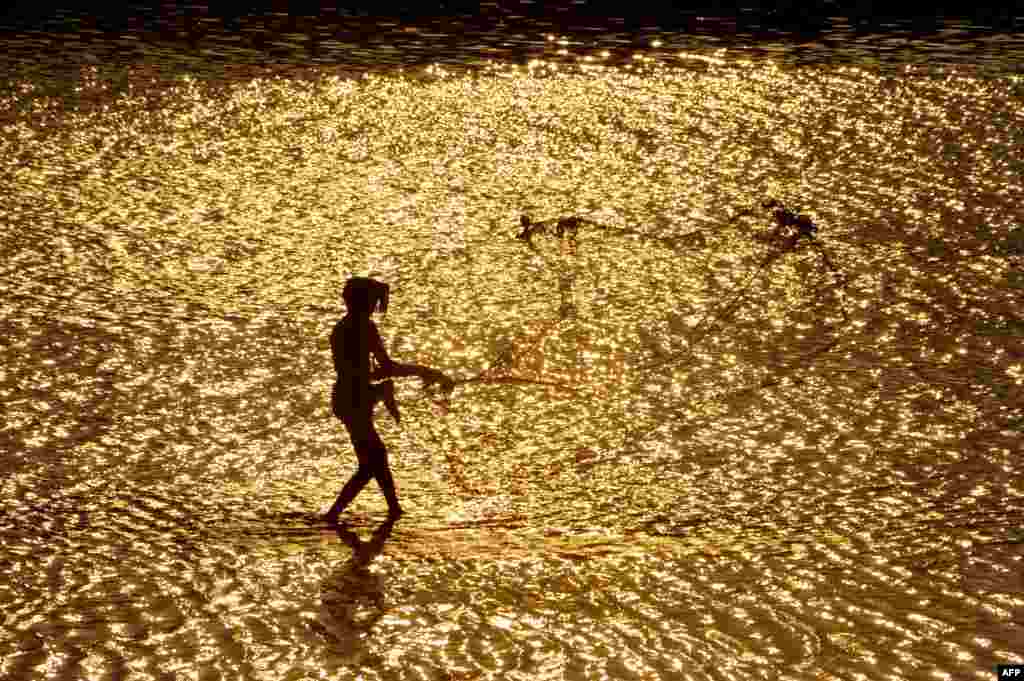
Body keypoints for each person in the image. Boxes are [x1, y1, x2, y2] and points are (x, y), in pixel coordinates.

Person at [324, 276, 452, 525]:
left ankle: (394, 509)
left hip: (347, 397)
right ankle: (333, 515)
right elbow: (386, 367)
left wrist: (386, 386)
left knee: (377, 457)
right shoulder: (364, 327)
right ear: (363, 302)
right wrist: (426, 371)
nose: (375, 306)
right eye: (373, 301)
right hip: (355, 400)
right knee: (370, 464)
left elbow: (361, 372)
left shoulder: (342, 328)